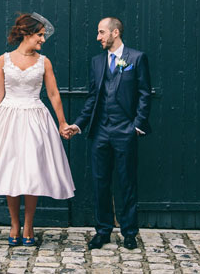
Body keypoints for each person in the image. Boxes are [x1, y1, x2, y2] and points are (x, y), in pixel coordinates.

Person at [0, 13, 75, 247]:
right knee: (12, 171)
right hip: (8, 118)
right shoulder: (4, 59)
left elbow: (53, 94)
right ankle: (13, 224)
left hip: (35, 118)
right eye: (40, 35)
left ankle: (29, 224)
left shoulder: (44, 62)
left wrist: (62, 123)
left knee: (32, 172)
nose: (43, 40)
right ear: (26, 33)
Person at [63, 17, 151, 250]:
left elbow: (144, 93)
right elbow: (93, 97)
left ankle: (129, 232)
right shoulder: (97, 61)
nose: (98, 37)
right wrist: (79, 124)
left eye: (101, 32)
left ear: (115, 32)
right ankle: (103, 231)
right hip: (101, 131)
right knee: (100, 182)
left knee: (127, 182)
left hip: (125, 130)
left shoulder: (136, 58)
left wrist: (137, 125)